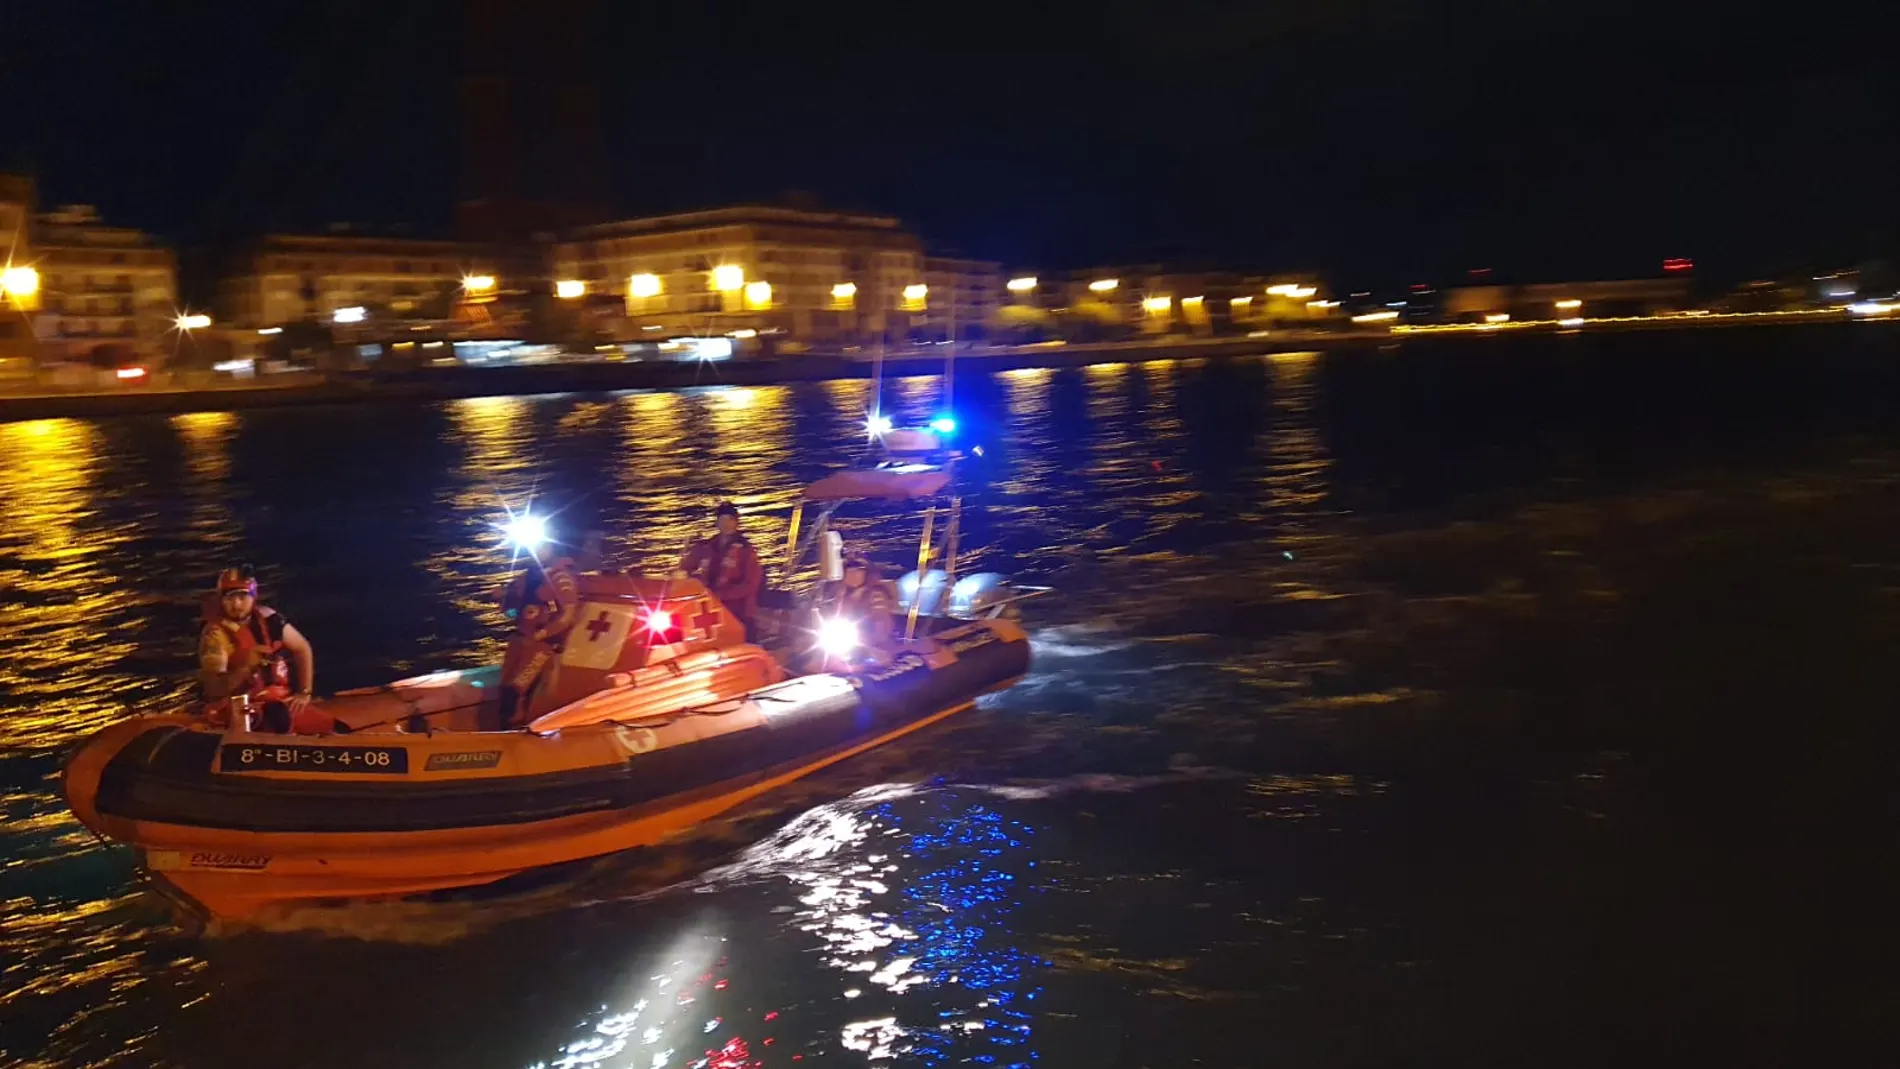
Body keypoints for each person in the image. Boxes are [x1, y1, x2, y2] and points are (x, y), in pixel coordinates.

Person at [199, 565, 317, 732]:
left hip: (278, 700)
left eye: (242, 596)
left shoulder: (269, 619)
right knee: (276, 720)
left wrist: (304, 692)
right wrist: (246, 667)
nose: (236, 604)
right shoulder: (215, 635)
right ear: (221, 600)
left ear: (254, 597)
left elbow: (302, 648)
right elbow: (214, 689)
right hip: (241, 707)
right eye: (229, 598)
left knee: (327, 725)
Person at [497, 549, 581, 728]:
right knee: (504, 688)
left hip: (542, 644)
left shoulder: (561, 578)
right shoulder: (526, 578)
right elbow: (512, 612)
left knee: (516, 688)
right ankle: (507, 724)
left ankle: (518, 727)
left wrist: (543, 634)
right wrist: (504, 601)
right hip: (520, 639)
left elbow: (567, 616)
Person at [678, 501, 763, 638]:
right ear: (717, 523)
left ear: (736, 522)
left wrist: (721, 595)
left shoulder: (746, 551)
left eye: (730, 519)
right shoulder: (706, 546)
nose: (726, 523)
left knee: (742, 638)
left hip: (737, 610)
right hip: (709, 606)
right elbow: (685, 568)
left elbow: (751, 585)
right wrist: (685, 579)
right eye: (722, 519)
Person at [835, 555, 899, 657]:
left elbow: (881, 624)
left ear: (866, 574)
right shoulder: (840, 594)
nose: (854, 575)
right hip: (843, 642)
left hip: (872, 644)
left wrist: (870, 646)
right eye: (850, 572)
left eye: (858, 572)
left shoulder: (875, 594)